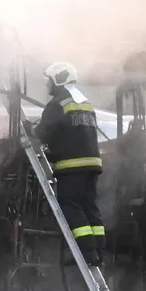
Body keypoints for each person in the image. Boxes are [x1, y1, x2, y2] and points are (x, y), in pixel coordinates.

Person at [34, 61, 106, 267]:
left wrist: (33, 131)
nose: (48, 84)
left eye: (49, 80)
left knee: (69, 204)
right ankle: (99, 251)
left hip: (71, 165)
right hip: (92, 164)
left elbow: (44, 131)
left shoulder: (58, 103)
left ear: (58, 80)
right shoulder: (85, 102)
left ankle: (86, 253)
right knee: (89, 207)